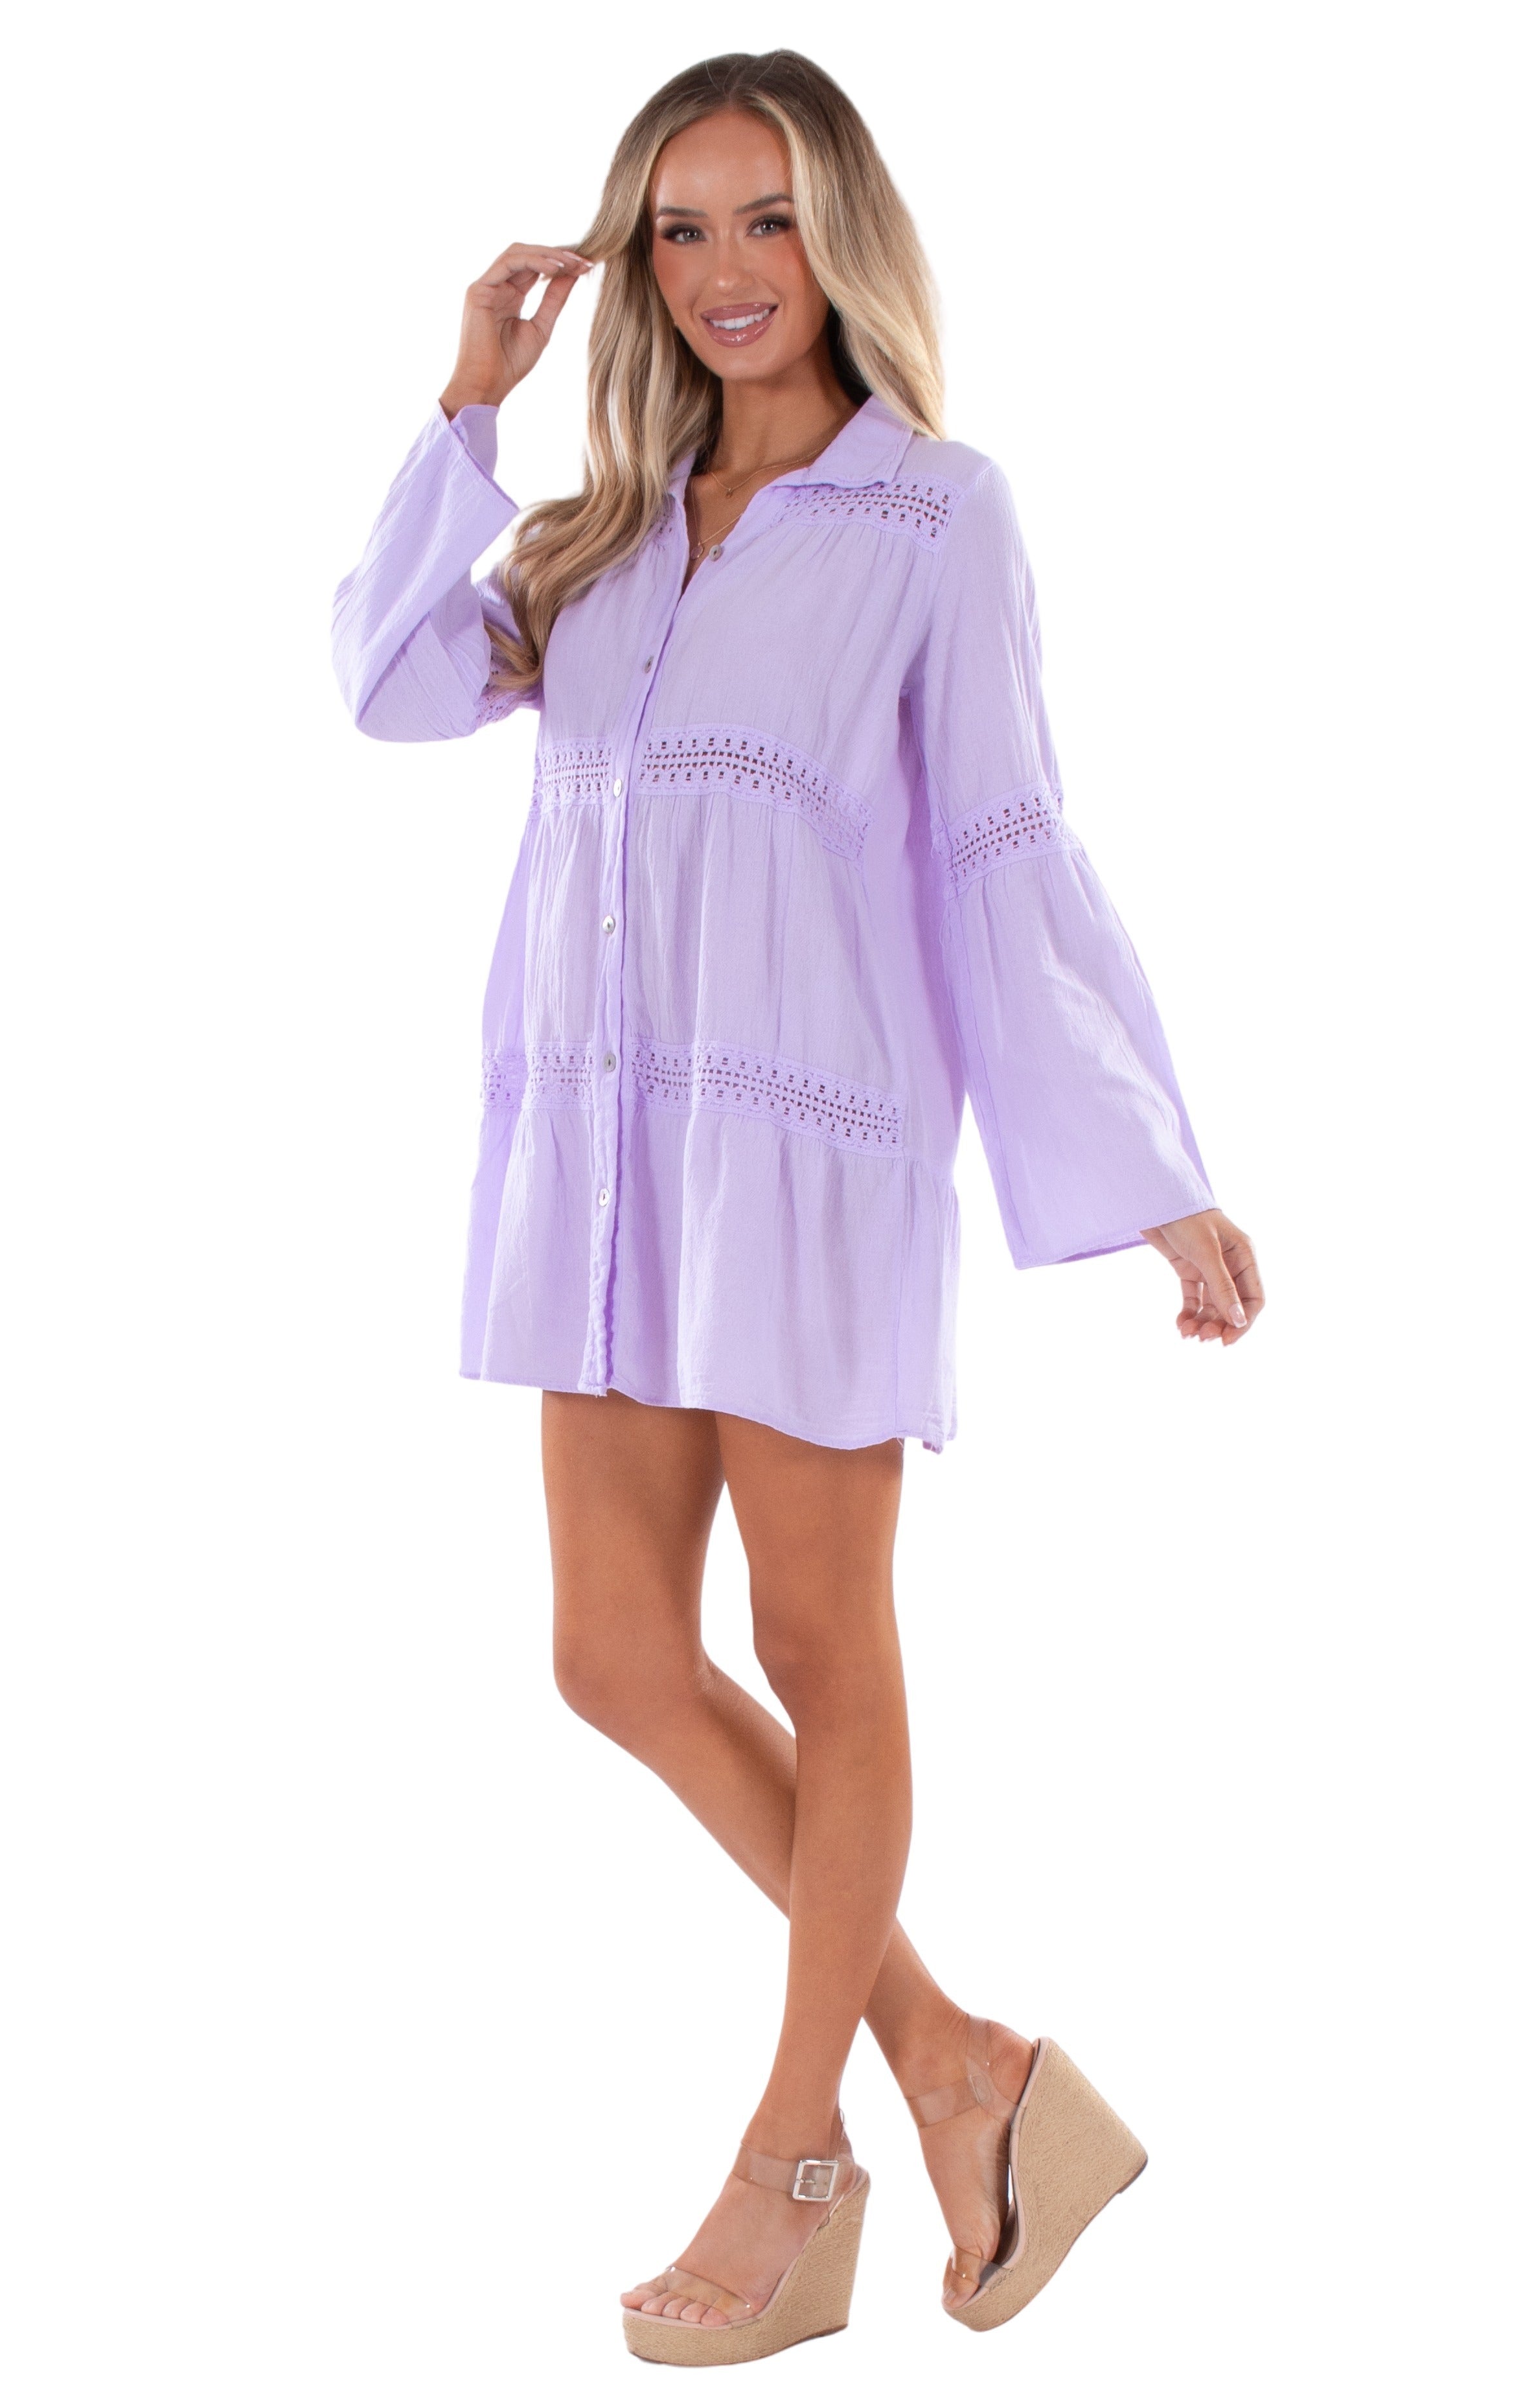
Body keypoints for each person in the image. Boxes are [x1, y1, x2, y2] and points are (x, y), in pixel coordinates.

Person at [331, 47, 1263, 2369]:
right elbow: (385, 684)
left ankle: (795, 2155)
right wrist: (467, 405)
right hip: (603, 1163)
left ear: (841, 233)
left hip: (810, 1156)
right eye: (680, 228)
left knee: (825, 1646)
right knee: (612, 1656)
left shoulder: (937, 517)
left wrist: (1154, 1172)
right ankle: (964, 2070)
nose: (726, 271)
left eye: (766, 220)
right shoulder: (601, 532)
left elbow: (1010, 848)